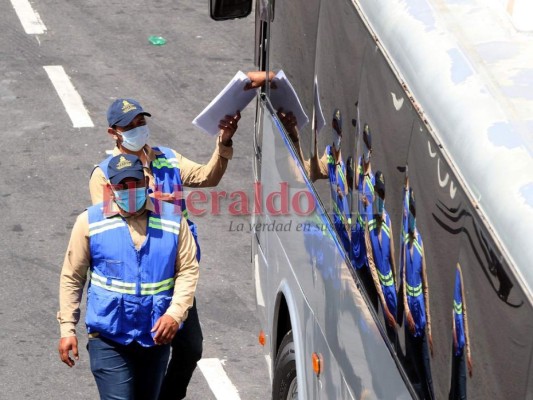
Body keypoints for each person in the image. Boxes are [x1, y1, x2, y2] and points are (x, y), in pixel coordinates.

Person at [57, 154, 199, 400]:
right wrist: (67, 328)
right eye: (121, 186)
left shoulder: (174, 220)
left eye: (134, 183)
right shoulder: (89, 222)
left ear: (146, 181)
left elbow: (188, 269)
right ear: (111, 188)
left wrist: (175, 314)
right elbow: (72, 276)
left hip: (155, 336)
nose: (128, 190)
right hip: (109, 337)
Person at [401, 188, 434, 399]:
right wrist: (406, 311)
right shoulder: (405, 243)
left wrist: (428, 324)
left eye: (413, 212)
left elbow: (426, 285)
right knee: (412, 367)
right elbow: (403, 279)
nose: (410, 216)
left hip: (420, 316)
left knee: (426, 370)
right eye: (408, 211)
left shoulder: (420, 242)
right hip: (410, 315)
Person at [363, 171, 398, 343]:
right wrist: (383, 303)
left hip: (390, 285)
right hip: (378, 287)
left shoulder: (388, 221)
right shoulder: (368, 221)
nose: (380, 197)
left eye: (382, 194)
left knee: (394, 330)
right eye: (378, 193)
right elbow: (370, 260)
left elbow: (392, 257)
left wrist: (395, 287)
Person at [449, 263, 473, 400]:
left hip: (460, 340)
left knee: (461, 383)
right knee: (453, 385)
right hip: (453, 342)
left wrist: (468, 351)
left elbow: (463, 311)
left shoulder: (458, 270)